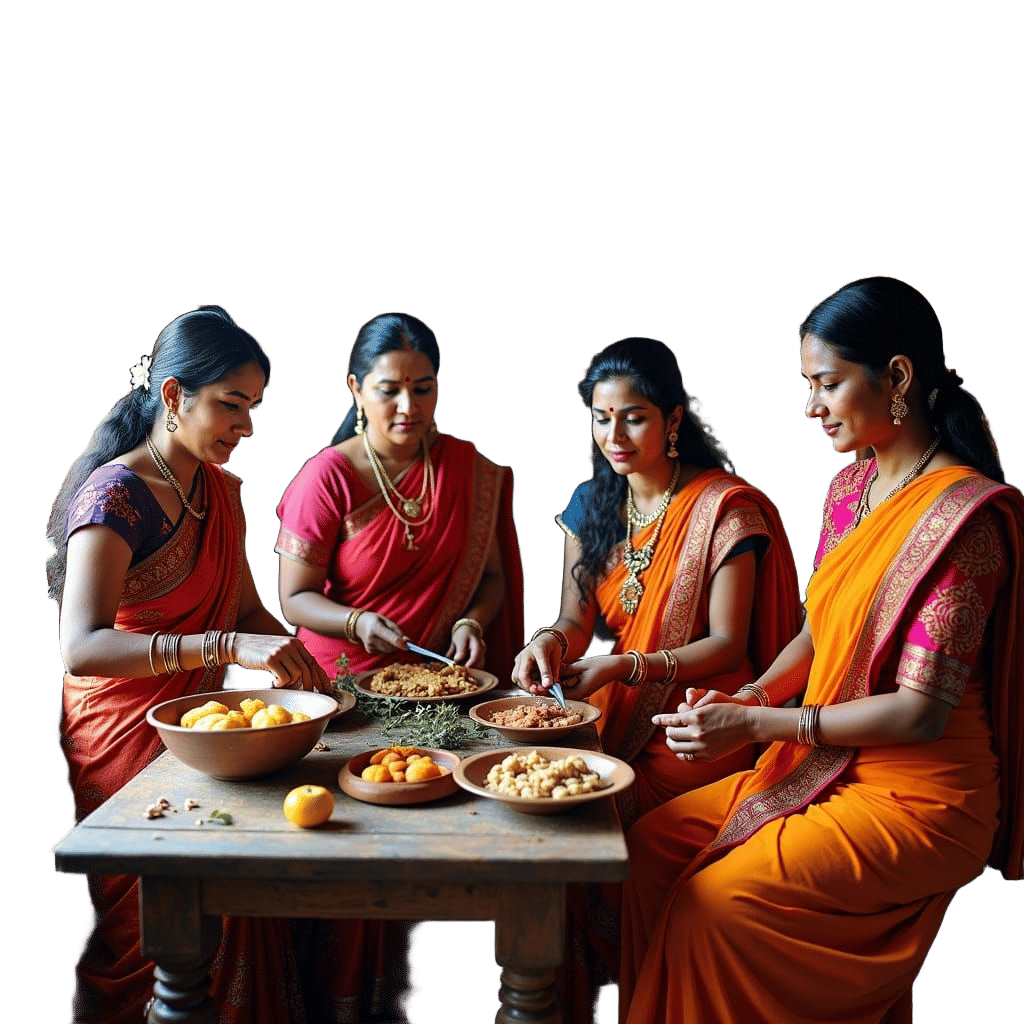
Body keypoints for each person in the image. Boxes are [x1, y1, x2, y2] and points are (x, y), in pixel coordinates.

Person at [619, 277, 1024, 1024]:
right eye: (809, 385)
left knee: (715, 906)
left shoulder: (964, 522)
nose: (811, 408)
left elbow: (918, 715)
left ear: (897, 377)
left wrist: (760, 728)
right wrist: (753, 698)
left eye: (827, 384)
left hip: (923, 795)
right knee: (647, 852)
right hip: (824, 758)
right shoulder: (849, 490)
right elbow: (818, 633)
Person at [45, 305, 328, 1024]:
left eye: (255, 407)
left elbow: (246, 612)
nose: (247, 426)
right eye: (231, 405)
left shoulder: (218, 489)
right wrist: (229, 649)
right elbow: (80, 645)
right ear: (172, 395)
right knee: (146, 927)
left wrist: (313, 670)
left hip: (203, 731)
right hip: (122, 734)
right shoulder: (115, 495)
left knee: (238, 886)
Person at [511, 336, 802, 1022]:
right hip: (614, 715)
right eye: (602, 417)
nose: (615, 434)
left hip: (699, 722)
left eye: (634, 417)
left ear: (673, 420)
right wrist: (547, 642)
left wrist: (627, 664)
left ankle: (660, 1001)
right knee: (549, 827)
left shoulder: (725, 510)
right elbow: (575, 624)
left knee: (613, 836)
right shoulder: (591, 505)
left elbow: (728, 641)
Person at [275, 311, 525, 1023]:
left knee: (416, 852)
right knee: (348, 852)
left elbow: (492, 578)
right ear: (356, 388)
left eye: (424, 388)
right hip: (338, 694)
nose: (408, 407)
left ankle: (385, 1002)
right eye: (389, 390)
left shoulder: (469, 469)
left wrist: (474, 619)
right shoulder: (328, 477)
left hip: (439, 691)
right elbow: (296, 599)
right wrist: (357, 621)